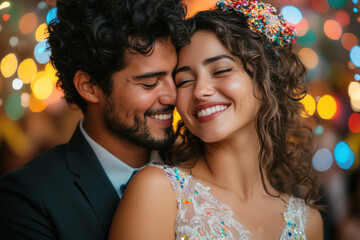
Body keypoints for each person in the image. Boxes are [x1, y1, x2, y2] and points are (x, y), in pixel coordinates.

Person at [109, 1, 324, 239]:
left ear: (267, 80)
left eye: (221, 70)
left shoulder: (308, 221)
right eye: (184, 81)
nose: (200, 91)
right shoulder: (159, 191)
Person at [0, 0, 186, 239]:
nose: (173, 96)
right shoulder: (26, 198)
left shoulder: (196, 163)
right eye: (149, 82)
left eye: (177, 75)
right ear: (89, 87)